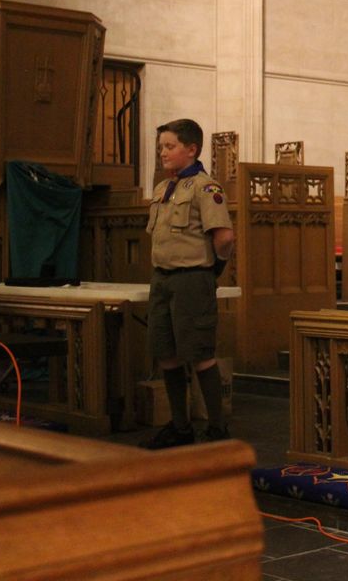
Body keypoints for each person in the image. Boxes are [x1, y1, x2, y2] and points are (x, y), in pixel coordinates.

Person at [142, 119, 236, 449]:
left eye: (170, 146)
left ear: (191, 149)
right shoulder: (163, 188)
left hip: (192, 280)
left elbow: (224, 237)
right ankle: (180, 428)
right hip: (162, 279)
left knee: (199, 354)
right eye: (161, 147)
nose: (163, 153)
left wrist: (211, 270)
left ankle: (217, 429)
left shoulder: (205, 188)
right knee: (166, 354)